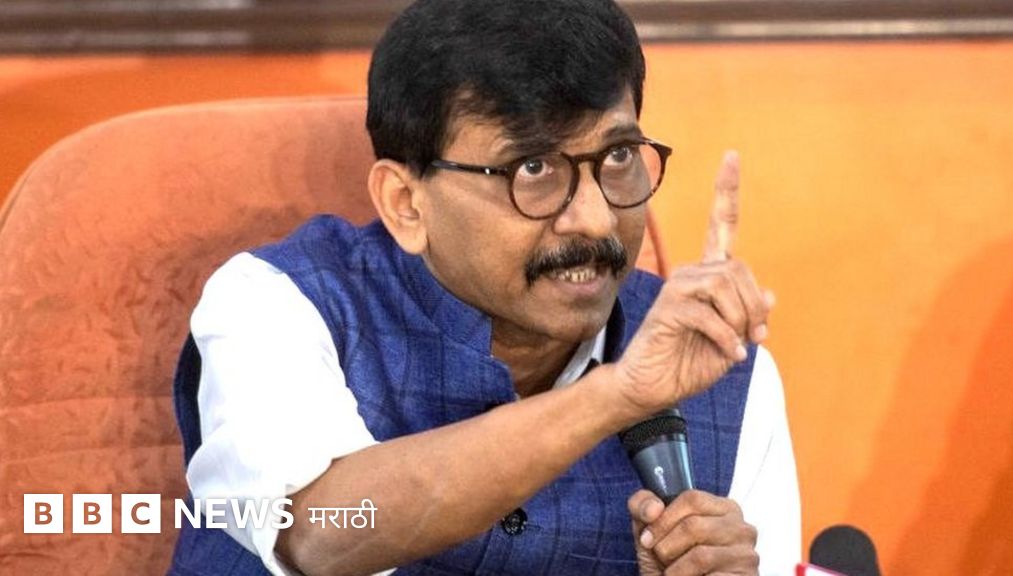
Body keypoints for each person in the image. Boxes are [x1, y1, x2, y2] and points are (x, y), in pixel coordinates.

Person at [168, 0, 800, 574]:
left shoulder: (723, 371)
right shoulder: (278, 303)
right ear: (406, 204)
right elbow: (320, 533)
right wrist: (615, 396)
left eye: (617, 157)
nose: (596, 219)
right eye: (533, 167)